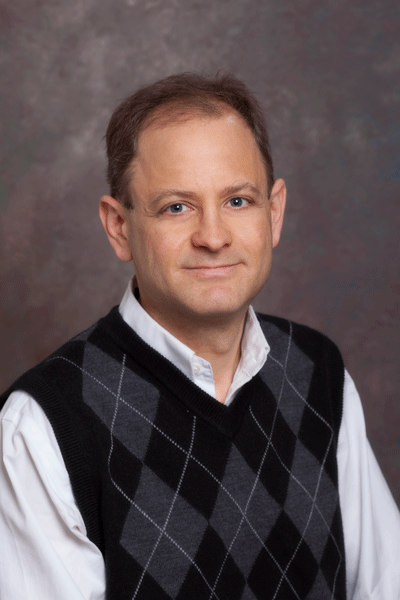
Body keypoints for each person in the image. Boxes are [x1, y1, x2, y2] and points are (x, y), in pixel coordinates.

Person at [0, 73, 399, 600]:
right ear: (119, 227)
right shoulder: (42, 427)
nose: (213, 237)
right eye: (176, 207)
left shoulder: (318, 376)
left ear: (274, 213)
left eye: (238, 201)